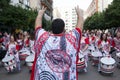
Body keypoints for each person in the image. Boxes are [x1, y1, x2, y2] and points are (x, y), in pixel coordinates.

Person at [31, 6, 82, 80]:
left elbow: (37, 27)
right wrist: (80, 15)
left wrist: (40, 14)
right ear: (64, 28)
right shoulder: (71, 39)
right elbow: (79, 29)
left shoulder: (43, 37)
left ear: (51, 28)